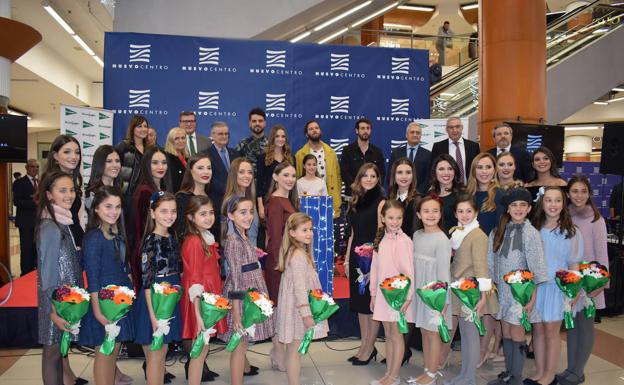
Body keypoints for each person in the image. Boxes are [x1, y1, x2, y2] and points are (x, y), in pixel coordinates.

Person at [487, 188, 548, 385]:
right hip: (502, 292)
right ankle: (509, 372)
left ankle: (517, 376)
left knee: (517, 332)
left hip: (521, 294)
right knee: (505, 332)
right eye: (514, 205)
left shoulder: (531, 234)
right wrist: (491, 286)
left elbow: (537, 267)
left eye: (523, 205)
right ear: (508, 208)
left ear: (529, 208)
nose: (518, 208)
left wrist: (531, 299)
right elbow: (491, 260)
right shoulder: (498, 231)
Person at [79, 187, 134, 385]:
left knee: (113, 349)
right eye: (108, 206)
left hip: (118, 301)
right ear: (96, 209)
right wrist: (97, 309)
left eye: (117, 207)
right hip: (103, 302)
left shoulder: (115, 233)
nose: (114, 211)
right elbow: (92, 277)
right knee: (105, 351)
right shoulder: (94, 238)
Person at [529, 187, 583, 385]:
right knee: (538, 330)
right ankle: (540, 370)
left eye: (557, 200)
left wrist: (574, 290)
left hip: (557, 288)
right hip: (537, 287)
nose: (553, 205)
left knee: (552, 331)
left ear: (563, 203)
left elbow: (574, 264)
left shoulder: (571, 232)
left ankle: (549, 374)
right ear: (542, 203)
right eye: (548, 200)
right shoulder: (533, 228)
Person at [218, 196, 274, 385]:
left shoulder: (244, 236)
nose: (248, 216)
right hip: (241, 298)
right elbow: (234, 278)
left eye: (251, 212)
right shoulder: (233, 241)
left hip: (251, 291)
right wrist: (236, 313)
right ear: (230, 215)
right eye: (242, 212)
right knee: (239, 347)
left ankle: (244, 372)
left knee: (243, 344)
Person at [559, 176, 609, 385]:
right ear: (568, 193)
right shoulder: (564, 216)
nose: (579, 195)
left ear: (589, 194)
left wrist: (600, 285)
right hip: (571, 282)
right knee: (571, 327)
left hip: (590, 283)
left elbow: (602, 255)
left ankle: (578, 372)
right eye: (575, 191)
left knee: (585, 327)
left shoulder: (596, 220)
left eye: (583, 191)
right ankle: (570, 368)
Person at [36, 171, 83, 385]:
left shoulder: (63, 221)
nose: (69, 195)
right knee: (52, 352)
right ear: (49, 195)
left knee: (57, 352)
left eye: (71, 190)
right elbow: (47, 276)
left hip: (64, 303)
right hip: (54, 303)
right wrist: (53, 312)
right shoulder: (50, 227)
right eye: (62, 190)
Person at [447, 194, 498, 385]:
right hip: (460, 289)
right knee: (467, 336)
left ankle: (468, 377)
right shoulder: (459, 233)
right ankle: (464, 374)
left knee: (471, 335)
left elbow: (481, 266)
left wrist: (483, 296)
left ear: (476, 212)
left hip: (471, 292)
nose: (465, 215)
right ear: (455, 213)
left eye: (469, 211)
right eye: (460, 211)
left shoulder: (478, 235)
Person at [133, 192, 182, 385]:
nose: (169, 215)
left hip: (170, 298)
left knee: (162, 352)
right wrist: (153, 316)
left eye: (173, 211)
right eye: (163, 211)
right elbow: (147, 282)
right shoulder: (150, 241)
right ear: (153, 213)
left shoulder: (171, 236)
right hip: (154, 301)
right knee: (155, 354)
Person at [276, 213, 329, 385]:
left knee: (295, 350)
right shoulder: (298, 256)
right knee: (295, 351)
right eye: (304, 230)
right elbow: (299, 288)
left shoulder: (298, 252)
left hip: (296, 307)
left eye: (310, 229)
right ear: (292, 233)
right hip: (298, 310)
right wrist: (306, 314)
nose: (309, 233)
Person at [180, 195, 226, 384]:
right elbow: (194, 280)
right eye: (202, 214)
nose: (208, 217)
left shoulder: (205, 237)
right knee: (199, 351)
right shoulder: (194, 242)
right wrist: (198, 315)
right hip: (199, 302)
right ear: (191, 217)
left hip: (207, 298)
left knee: (202, 349)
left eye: (210, 213)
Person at [408, 195, 452, 385]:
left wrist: (443, 300)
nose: (431, 215)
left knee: (433, 333)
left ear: (441, 214)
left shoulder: (442, 239)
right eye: (426, 211)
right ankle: (427, 370)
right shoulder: (417, 235)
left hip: (434, 293)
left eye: (435, 211)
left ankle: (432, 375)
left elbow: (444, 273)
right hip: (420, 290)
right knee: (425, 331)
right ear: (419, 214)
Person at [369, 200, 414, 385]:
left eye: (399, 218)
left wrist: (408, 297)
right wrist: (373, 294)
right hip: (382, 295)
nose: (395, 222)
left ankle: (394, 376)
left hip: (398, 297)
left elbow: (409, 272)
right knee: (388, 334)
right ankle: (388, 373)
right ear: (383, 218)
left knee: (396, 335)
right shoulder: (381, 239)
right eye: (391, 218)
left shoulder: (404, 242)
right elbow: (375, 268)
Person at [345, 163, 385, 366]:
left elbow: (380, 234)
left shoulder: (381, 202)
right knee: (361, 306)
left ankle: (370, 347)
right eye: (365, 176)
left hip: (371, 259)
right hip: (355, 258)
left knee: (371, 305)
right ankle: (364, 344)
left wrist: (374, 260)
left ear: (378, 179)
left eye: (373, 176)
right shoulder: (355, 201)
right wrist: (346, 258)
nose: (369, 179)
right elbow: (352, 233)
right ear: (359, 178)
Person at [264, 162, 299, 371]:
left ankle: (278, 349)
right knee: (278, 305)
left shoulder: (288, 199)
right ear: (276, 177)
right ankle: (277, 349)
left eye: (293, 175)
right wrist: (280, 264)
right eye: (285, 175)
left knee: (284, 305)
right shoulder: (276, 202)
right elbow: (275, 236)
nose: (290, 179)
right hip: (279, 263)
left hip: (288, 261)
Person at [128, 146, 170, 292]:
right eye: (155, 163)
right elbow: (141, 232)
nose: (160, 167)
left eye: (164, 162)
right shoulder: (144, 192)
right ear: (147, 165)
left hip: (162, 254)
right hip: (148, 256)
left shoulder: (162, 190)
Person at [42, 135, 86, 247]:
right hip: (61, 244)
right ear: (55, 156)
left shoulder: (72, 180)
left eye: (77, 152)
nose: (74, 156)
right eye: (67, 152)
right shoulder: (50, 181)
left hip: (76, 241)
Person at [295, 120, 342, 218]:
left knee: (328, 230)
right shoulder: (300, 155)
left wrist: (337, 196)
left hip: (328, 198)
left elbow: (338, 177)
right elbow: (298, 176)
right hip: (308, 204)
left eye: (316, 128)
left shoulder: (331, 152)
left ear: (320, 131)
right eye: (311, 129)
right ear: (307, 134)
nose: (314, 130)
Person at [340, 118, 386, 198]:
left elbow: (381, 173)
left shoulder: (377, 152)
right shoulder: (347, 151)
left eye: (368, 128)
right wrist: (357, 187)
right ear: (357, 131)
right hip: (352, 195)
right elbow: (344, 173)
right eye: (362, 128)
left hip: (372, 195)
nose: (365, 131)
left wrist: (372, 187)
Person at [257, 124, 294, 218]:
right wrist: (261, 206)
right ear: (272, 138)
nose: (280, 139)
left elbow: (294, 183)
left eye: (283, 136)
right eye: (277, 136)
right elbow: (259, 183)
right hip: (269, 199)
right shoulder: (263, 158)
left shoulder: (291, 158)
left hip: (287, 200)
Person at [204, 121, 240, 216]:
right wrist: (229, 190)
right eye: (220, 134)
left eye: (226, 134)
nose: (224, 136)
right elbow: (209, 179)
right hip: (216, 204)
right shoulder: (205, 155)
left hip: (235, 203)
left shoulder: (236, 154)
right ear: (212, 135)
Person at [431, 117, 480, 184]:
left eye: (457, 127)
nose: (454, 130)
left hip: (470, 188)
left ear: (462, 128)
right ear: (446, 130)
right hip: (447, 188)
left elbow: (477, 168)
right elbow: (433, 169)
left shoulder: (474, 146)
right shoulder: (438, 147)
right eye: (451, 127)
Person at [221, 158, 259, 246]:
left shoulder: (249, 199)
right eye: (241, 172)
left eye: (250, 172)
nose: (247, 176)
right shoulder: (231, 201)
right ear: (234, 175)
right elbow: (230, 240)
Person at [174, 154, 212, 240]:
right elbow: (180, 232)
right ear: (190, 171)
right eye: (200, 168)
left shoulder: (211, 197)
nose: (206, 172)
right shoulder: (181, 198)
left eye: (209, 168)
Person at [466, 153, 505, 236]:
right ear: (473, 170)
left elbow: (501, 231)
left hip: (491, 247)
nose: (484, 171)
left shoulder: (501, 196)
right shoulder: (466, 196)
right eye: (480, 167)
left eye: (488, 167)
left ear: (495, 170)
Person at [388, 122, 432, 194]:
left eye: (418, 133)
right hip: (398, 195)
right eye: (412, 132)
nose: (415, 135)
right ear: (406, 135)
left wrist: (417, 193)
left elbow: (428, 178)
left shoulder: (428, 155)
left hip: (419, 196)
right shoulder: (396, 154)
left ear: (420, 136)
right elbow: (391, 176)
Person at [12, 158, 39, 275]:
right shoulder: (19, 183)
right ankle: (26, 274)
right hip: (26, 222)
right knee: (26, 249)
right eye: (32, 166)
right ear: (27, 168)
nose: (35, 169)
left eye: (37, 167)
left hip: (39, 222)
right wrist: (34, 203)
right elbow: (17, 202)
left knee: (36, 249)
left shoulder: (40, 182)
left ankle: (35, 272)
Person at [115, 115, 148, 198]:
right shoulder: (124, 146)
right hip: (127, 194)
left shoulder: (149, 149)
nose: (143, 129)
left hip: (144, 194)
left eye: (145, 126)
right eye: (139, 126)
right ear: (132, 128)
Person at [387, 158, 421, 237]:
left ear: (413, 176)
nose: (404, 176)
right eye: (399, 172)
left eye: (408, 172)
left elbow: (416, 231)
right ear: (394, 176)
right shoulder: (389, 198)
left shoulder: (417, 200)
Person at [429, 154, 463, 231]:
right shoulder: (429, 196)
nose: (446, 172)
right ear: (435, 172)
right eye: (441, 169)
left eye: (450, 169)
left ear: (455, 171)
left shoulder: (463, 195)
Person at [85, 145, 122, 210]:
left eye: (117, 161)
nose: (115, 165)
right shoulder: (93, 193)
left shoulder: (120, 188)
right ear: (100, 164)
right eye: (109, 161)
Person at [236, 107, 268, 176]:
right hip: (247, 183)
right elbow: (236, 168)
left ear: (265, 123)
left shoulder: (272, 144)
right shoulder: (242, 144)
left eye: (260, 121)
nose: (257, 123)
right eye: (254, 121)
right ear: (249, 123)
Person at [164, 127, 189, 192]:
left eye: (183, 138)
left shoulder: (187, 157)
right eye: (177, 138)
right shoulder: (167, 158)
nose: (181, 141)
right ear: (171, 141)